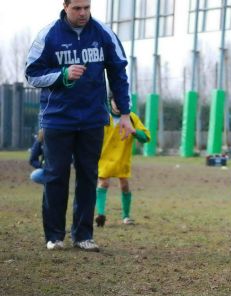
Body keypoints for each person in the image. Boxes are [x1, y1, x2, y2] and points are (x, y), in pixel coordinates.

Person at [25, 0, 134, 251]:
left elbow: (119, 74)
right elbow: (32, 74)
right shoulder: (48, 35)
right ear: (65, 6)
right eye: (77, 8)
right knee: (56, 176)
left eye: (87, 7)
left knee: (88, 176)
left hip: (93, 119)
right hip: (58, 119)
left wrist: (125, 114)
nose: (83, 13)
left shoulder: (103, 33)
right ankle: (54, 236)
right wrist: (62, 74)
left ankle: (83, 235)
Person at [95, 94, 150, 227]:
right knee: (103, 183)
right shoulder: (102, 116)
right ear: (110, 101)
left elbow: (146, 137)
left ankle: (126, 216)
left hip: (122, 158)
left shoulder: (131, 117)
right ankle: (100, 215)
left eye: (122, 101)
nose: (118, 104)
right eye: (116, 101)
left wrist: (134, 131)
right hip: (104, 157)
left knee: (124, 185)